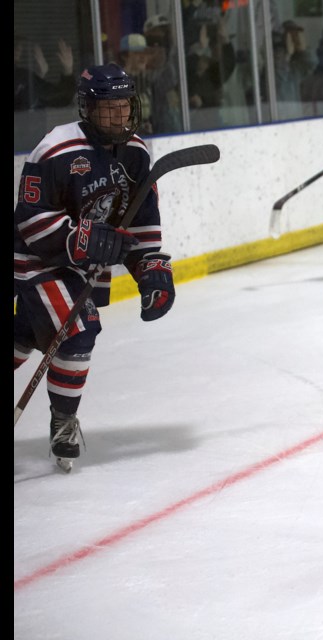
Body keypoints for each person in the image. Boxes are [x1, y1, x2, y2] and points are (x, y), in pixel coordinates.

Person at [13, 63, 176, 473]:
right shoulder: (55, 150)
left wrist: (151, 271)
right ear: (87, 108)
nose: (119, 115)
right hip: (37, 261)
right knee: (78, 329)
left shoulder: (137, 154)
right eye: (109, 108)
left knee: (27, 335)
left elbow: (141, 224)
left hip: (81, 269)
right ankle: (64, 423)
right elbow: (29, 219)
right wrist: (78, 238)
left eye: (124, 106)